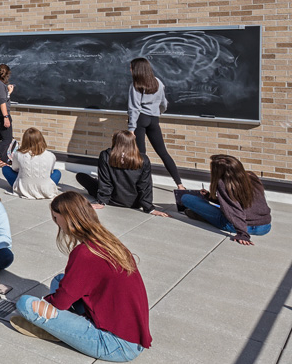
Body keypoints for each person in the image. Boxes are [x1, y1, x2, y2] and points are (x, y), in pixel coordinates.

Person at [10, 192, 151, 363]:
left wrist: (44, 304)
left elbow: (60, 302)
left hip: (115, 344)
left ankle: (57, 329)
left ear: (68, 218)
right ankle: (63, 327)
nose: (56, 223)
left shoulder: (85, 253)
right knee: (59, 280)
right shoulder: (108, 241)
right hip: (129, 335)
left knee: (26, 304)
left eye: (56, 218)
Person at [179, 154, 271, 245]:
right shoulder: (251, 176)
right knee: (217, 209)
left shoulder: (223, 183)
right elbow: (239, 204)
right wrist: (210, 197)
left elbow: (233, 210)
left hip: (237, 226)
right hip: (265, 227)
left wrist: (243, 234)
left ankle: (199, 216)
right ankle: (198, 215)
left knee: (186, 198)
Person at [75, 130, 170, 217]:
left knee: (81, 176)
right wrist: (149, 208)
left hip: (112, 199)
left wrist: (102, 202)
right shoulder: (143, 159)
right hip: (135, 203)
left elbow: (105, 181)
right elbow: (145, 185)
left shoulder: (106, 155)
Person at [127, 58, 185, 189]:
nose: (130, 70)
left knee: (141, 154)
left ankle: (144, 186)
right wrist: (158, 112)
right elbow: (164, 103)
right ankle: (180, 184)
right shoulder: (158, 82)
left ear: (137, 69)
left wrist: (131, 128)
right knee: (163, 153)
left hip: (141, 120)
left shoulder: (135, 85)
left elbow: (134, 108)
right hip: (154, 119)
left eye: (131, 68)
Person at [2, 127, 62, 199]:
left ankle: (25, 187)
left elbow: (14, 169)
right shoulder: (51, 155)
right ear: (41, 139)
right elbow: (50, 172)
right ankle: (43, 188)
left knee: (5, 169)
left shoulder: (18, 154)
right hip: (45, 189)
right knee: (57, 173)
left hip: (24, 187)